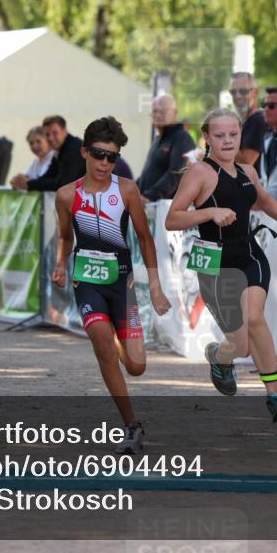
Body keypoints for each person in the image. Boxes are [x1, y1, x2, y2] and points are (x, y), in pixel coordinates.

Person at [166, 108, 277, 423]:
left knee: (255, 317)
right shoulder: (199, 173)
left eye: (233, 134)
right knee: (241, 345)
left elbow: (265, 201)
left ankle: (275, 397)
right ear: (207, 138)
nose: (228, 141)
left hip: (249, 254)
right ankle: (219, 357)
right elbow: (172, 218)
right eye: (219, 136)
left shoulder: (248, 171)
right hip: (216, 264)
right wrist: (209, 213)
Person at [50, 116, 171, 453]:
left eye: (112, 157)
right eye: (99, 154)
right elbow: (64, 236)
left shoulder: (127, 190)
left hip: (122, 282)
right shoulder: (65, 195)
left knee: (136, 366)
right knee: (101, 342)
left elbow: (145, 239)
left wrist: (156, 287)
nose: (105, 163)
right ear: (85, 152)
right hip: (86, 280)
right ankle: (131, 426)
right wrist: (61, 264)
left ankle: (119, 342)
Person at [137, 93, 195, 202]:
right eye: (155, 111)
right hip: (149, 207)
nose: (158, 114)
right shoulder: (157, 140)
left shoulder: (182, 138)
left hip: (167, 210)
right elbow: (148, 175)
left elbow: (176, 173)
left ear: (175, 113)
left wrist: (149, 196)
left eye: (163, 110)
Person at [10, 115, 86, 192]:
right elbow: (49, 175)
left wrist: (28, 184)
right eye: (47, 134)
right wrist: (25, 183)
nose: (50, 138)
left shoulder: (73, 149)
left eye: (55, 133)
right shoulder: (60, 149)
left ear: (64, 131)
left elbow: (62, 184)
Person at [230, 72, 267, 170]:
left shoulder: (258, 121)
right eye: (233, 92)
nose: (237, 96)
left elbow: (245, 164)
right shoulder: (242, 122)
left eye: (243, 91)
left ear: (255, 92)